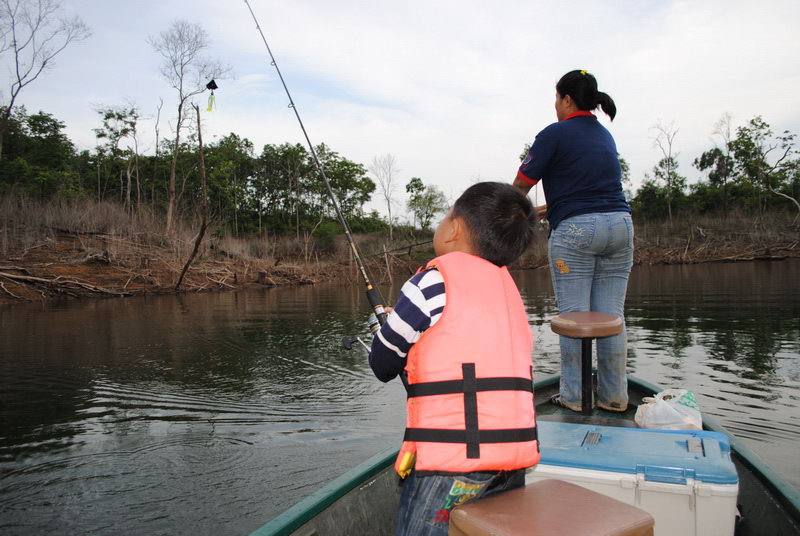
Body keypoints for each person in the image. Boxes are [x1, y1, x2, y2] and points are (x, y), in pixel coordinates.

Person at [369, 182, 539, 536]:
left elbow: (383, 363)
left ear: (455, 228)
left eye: (445, 216)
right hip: (511, 461)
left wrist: (385, 329)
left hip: (451, 465)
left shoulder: (431, 281)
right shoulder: (509, 293)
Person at [513, 69, 634, 413]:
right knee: (612, 319)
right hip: (621, 227)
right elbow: (590, 193)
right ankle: (614, 398)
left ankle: (575, 397)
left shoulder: (554, 134)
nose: (555, 105)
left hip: (576, 235)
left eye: (556, 98)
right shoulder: (604, 136)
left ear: (567, 99)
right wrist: (548, 208)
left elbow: (520, 186)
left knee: (573, 318)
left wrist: (513, 214)